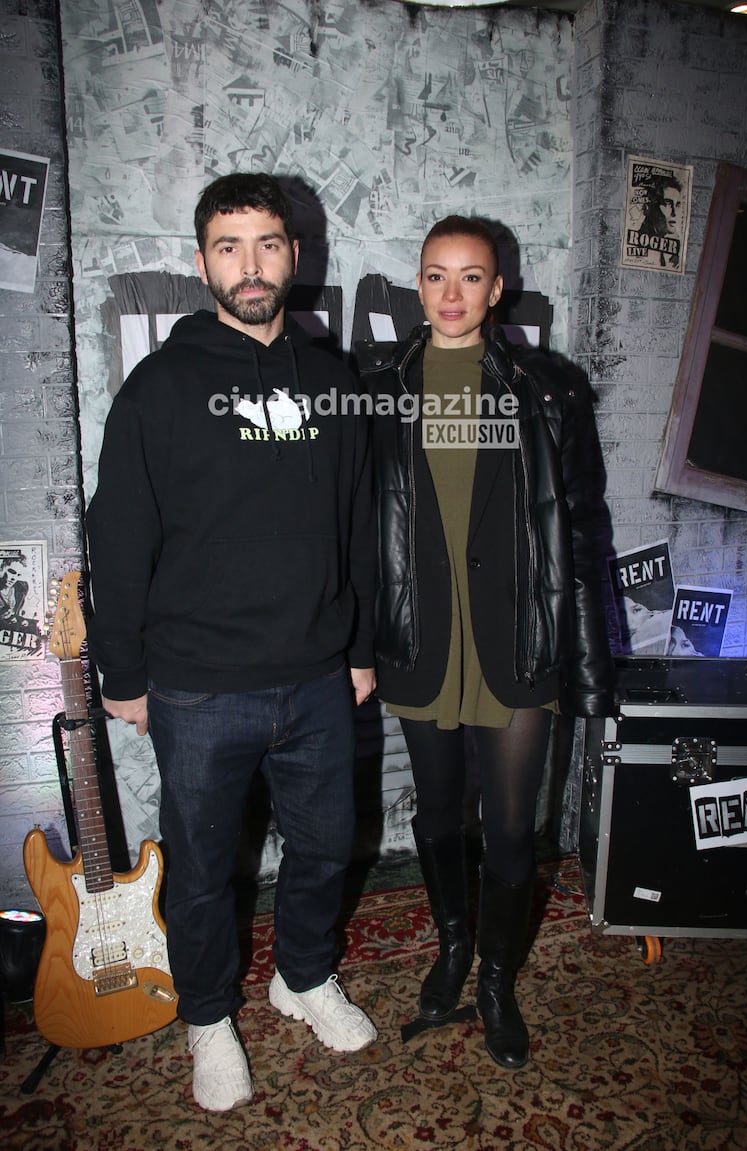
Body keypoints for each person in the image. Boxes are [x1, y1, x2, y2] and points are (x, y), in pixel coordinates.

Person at [86, 172, 378, 1113]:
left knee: (327, 846)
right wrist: (122, 671)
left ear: (294, 254)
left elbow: (357, 527)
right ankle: (209, 1017)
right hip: (198, 687)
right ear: (203, 260)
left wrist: (360, 646)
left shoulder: (333, 381)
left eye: (266, 243)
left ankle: (301, 976)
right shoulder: (160, 387)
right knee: (205, 872)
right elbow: (120, 535)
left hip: (316, 677)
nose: (249, 266)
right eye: (228, 245)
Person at [358, 216, 614, 1071]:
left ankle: (498, 978)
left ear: (497, 287)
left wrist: (587, 667)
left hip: (517, 641)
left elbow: (581, 530)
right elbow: (360, 529)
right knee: (436, 815)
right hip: (421, 636)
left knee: (508, 829)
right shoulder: (379, 383)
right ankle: (454, 946)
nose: (453, 294)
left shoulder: (548, 388)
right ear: (417, 285)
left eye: (472, 277)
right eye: (437, 276)